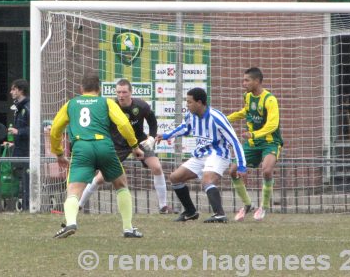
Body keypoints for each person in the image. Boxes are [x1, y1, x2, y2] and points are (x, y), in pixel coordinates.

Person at [51, 73, 144, 238]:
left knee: (74, 190)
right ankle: (128, 228)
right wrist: (134, 146)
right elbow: (123, 124)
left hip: (81, 148)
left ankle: (71, 222)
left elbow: (55, 130)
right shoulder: (106, 102)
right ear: (99, 89)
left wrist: (58, 153)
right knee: (121, 184)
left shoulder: (71, 104)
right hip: (104, 146)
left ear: (81, 89)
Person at [78, 79, 171, 213]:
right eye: (118, 92)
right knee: (100, 178)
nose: (121, 95)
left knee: (157, 167)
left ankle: (163, 207)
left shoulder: (141, 106)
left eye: (124, 92)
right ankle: (79, 205)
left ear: (130, 93)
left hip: (139, 141)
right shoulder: (110, 106)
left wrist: (151, 137)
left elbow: (152, 121)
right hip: (118, 144)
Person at [155, 87, 246, 223]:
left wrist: (242, 166)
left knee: (207, 180)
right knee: (175, 177)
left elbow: (235, 141)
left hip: (218, 154)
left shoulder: (217, 117)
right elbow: (185, 128)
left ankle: (219, 214)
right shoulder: (191, 116)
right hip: (201, 154)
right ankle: (190, 212)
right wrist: (166, 135)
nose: (187, 105)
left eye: (189, 102)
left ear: (199, 102)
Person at [227, 67, 283, 222]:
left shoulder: (269, 99)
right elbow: (245, 112)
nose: (243, 83)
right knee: (232, 170)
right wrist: (225, 119)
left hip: (270, 142)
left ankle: (263, 206)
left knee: (266, 170)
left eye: (247, 80)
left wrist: (254, 134)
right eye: (243, 80)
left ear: (257, 81)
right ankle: (247, 205)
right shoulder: (247, 96)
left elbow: (273, 124)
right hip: (252, 143)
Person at [8, 78, 30, 211]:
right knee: (22, 179)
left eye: (14, 89)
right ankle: (25, 205)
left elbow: (34, 129)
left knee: (27, 179)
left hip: (27, 151)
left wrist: (18, 132)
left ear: (21, 90)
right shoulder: (18, 108)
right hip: (20, 149)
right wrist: (13, 144)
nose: (11, 92)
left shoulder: (27, 107)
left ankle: (28, 206)